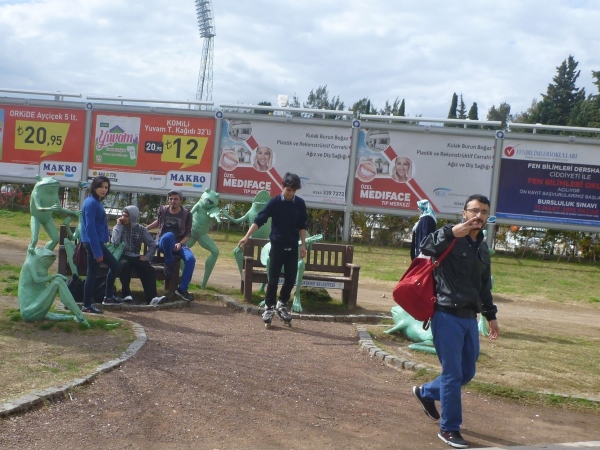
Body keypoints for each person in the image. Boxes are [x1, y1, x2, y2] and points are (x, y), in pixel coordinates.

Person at [411, 194, 499, 449]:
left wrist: (491, 315)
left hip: (470, 318)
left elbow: (484, 286)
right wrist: (451, 232)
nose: (479, 216)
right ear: (464, 213)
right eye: (474, 211)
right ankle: (449, 428)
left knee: (467, 372)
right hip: (446, 315)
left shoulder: (482, 247)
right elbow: (425, 246)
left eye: (484, 212)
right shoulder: (449, 236)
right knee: (452, 374)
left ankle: (426, 392)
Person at [237, 172, 307, 326]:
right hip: (277, 245)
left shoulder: (300, 204)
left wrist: (303, 245)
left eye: (293, 191)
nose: (290, 194)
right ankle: (269, 307)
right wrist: (246, 236)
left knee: (290, 279)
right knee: (273, 279)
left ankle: (281, 304)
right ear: (282, 187)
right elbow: (259, 220)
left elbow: (302, 225)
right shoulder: (274, 203)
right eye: (288, 190)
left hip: (292, 246)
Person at [79, 176, 122, 314]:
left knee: (112, 267)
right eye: (101, 187)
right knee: (94, 273)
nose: (104, 190)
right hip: (93, 243)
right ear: (94, 187)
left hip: (96, 242)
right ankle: (87, 305)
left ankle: (108, 297)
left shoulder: (96, 201)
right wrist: (97, 251)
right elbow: (90, 228)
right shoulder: (91, 203)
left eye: (106, 187)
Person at [111, 206, 167, 306]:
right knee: (124, 265)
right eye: (122, 215)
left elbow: (152, 244)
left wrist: (147, 257)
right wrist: (118, 226)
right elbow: (115, 242)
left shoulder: (141, 229)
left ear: (132, 217)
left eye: (126, 216)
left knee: (148, 269)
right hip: (123, 255)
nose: (123, 218)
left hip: (136, 256)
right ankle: (126, 294)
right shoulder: (119, 227)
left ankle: (152, 298)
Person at [146, 189, 195, 302]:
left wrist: (180, 243)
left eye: (176, 199)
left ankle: (182, 289)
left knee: (191, 259)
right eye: (171, 199)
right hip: (163, 242)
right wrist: (146, 228)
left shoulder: (186, 214)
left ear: (180, 200)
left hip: (178, 243)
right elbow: (158, 222)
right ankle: (169, 263)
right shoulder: (163, 210)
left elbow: (188, 234)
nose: (173, 201)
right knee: (168, 235)